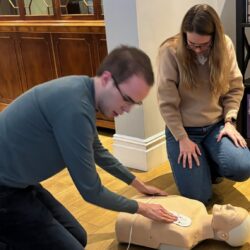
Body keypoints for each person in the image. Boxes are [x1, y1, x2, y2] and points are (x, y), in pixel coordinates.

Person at [0, 45, 177, 250]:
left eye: (134, 104)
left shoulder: (82, 91)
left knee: (79, 237)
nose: (127, 109)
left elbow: (97, 150)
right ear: (106, 79)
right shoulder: (74, 108)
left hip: (20, 183)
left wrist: (139, 184)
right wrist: (141, 208)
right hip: (4, 192)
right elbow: (91, 191)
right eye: (127, 99)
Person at [157, 4, 250, 205]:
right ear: (184, 36)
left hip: (215, 126)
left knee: (243, 166)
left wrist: (229, 122)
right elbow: (167, 103)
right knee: (199, 198)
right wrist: (182, 138)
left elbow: (235, 87)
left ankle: (208, 162)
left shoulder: (225, 45)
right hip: (183, 131)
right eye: (192, 44)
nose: (197, 50)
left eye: (203, 45)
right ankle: (201, 168)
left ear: (214, 38)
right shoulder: (170, 51)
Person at [116, 195, 250, 249]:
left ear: (223, 235)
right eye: (235, 207)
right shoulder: (198, 206)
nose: (230, 205)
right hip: (132, 202)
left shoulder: (184, 237)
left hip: (125, 217)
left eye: (232, 214)